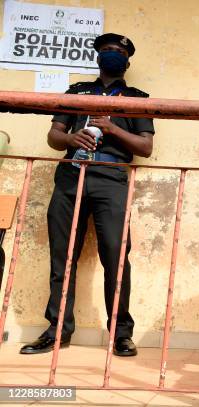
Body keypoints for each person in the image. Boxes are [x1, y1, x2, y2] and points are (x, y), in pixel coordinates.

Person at [20, 33, 154, 356]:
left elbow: (146, 147)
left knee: (116, 258)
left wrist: (112, 129)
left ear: (127, 61)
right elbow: (54, 135)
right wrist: (71, 139)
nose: (112, 55)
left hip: (110, 178)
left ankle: (120, 334)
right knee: (62, 257)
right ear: (97, 58)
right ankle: (58, 330)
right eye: (106, 51)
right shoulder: (77, 92)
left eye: (119, 51)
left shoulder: (137, 98)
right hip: (71, 175)